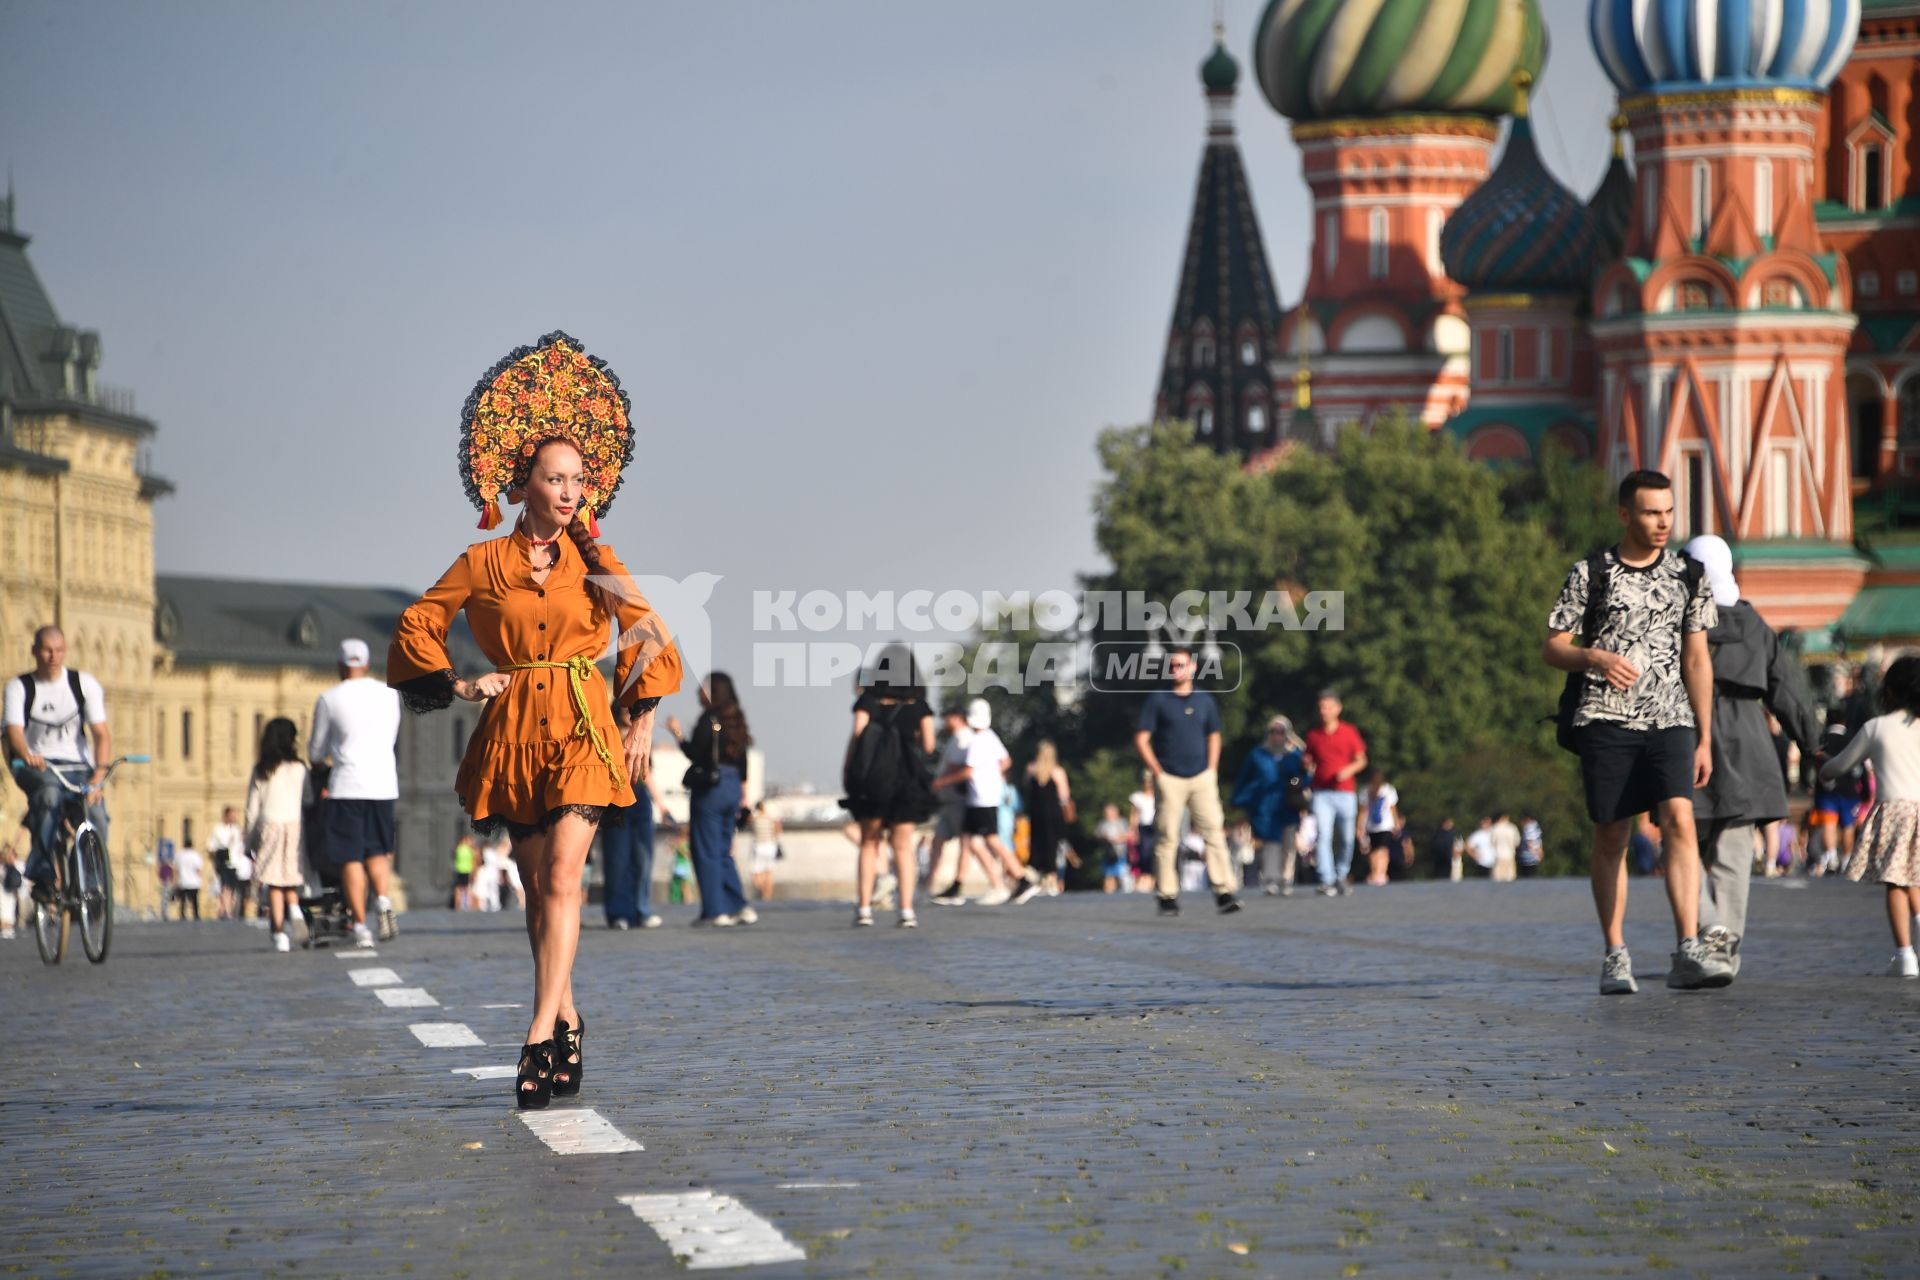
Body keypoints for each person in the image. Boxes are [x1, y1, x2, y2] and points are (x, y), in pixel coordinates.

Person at [387, 331, 684, 1110]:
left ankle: (537, 1033)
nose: (569, 491)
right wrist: (455, 682)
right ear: (521, 485)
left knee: (562, 876)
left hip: (585, 723)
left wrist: (642, 715)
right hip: (514, 727)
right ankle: (568, 1011)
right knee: (532, 884)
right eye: (555, 479)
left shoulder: (597, 560)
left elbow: (650, 631)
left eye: (579, 479)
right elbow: (418, 622)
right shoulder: (482, 563)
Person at [1544, 468, 1728, 995]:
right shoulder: (1591, 573)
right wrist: (1593, 656)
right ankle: (1615, 951)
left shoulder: (1689, 575)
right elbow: (1552, 646)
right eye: (1651, 512)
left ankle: (1688, 945)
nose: (1662, 522)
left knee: (1679, 820)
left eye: (1668, 512)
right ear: (1625, 514)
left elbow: (1697, 660)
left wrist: (1705, 735)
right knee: (1613, 834)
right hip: (1606, 719)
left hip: (1671, 719)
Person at [1682, 535, 1820, 981]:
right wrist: (1812, 743)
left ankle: (1708, 930)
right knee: (1734, 852)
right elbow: (1787, 692)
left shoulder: (1677, 619)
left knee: (1680, 845)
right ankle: (1724, 949)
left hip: (1688, 734)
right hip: (1747, 739)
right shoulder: (1755, 624)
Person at [1821, 655, 1920, 977]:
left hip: (1893, 810)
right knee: (1915, 878)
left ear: (1888, 691)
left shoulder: (1876, 727)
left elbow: (1840, 765)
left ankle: (1905, 955)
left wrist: (1823, 767)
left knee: (1895, 881)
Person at [5, 626, 111, 906]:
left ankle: (91, 880)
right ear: (35, 651)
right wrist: (27, 752)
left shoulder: (83, 684)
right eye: (47, 650)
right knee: (49, 796)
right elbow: (14, 730)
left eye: (59, 650)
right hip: (36, 765)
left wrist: (98, 775)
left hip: (78, 766)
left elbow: (101, 733)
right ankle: (42, 875)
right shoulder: (20, 687)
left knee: (96, 813)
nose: (54, 656)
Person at [311, 638, 403, 947]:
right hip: (383, 783)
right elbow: (392, 736)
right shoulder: (390, 695)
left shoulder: (329, 698)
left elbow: (316, 750)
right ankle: (385, 902)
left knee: (350, 857)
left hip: (346, 785)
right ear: (365, 663)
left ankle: (362, 926)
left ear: (340, 665)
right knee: (377, 851)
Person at [1135, 646, 1239, 916]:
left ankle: (1223, 891)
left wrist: (1213, 768)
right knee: (1167, 835)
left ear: (1192, 668)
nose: (1176, 670)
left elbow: (1214, 735)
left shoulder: (1205, 700)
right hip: (1169, 777)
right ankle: (1167, 895)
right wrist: (1156, 770)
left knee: (1213, 831)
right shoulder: (1159, 700)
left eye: (1181, 665)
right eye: (1172, 666)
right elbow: (1142, 738)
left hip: (1201, 776)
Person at [841, 649, 938, 927]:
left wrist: (849, 771)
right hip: (906, 780)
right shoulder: (918, 705)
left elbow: (857, 737)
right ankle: (906, 910)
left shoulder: (868, 701)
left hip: (873, 781)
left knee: (869, 844)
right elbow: (929, 746)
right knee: (903, 847)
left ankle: (863, 909)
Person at [931, 699, 1038, 906]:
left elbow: (968, 770)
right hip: (982, 796)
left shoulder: (978, 740)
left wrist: (942, 781)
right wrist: (992, 773)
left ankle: (1022, 878)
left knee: (991, 840)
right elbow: (1006, 760)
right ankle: (957, 885)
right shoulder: (991, 737)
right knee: (967, 839)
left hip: (981, 798)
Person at [668, 672, 753, 928]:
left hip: (712, 789)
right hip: (733, 786)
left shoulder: (710, 719)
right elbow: (744, 763)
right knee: (723, 850)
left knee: (705, 850)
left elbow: (695, 753)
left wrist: (678, 735)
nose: (698, 692)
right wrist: (744, 799)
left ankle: (715, 911)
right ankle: (738, 905)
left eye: (703, 688)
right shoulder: (736, 719)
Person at [246, 717, 311, 952]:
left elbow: (252, 809)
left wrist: (249, 842)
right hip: (294, 825)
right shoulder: (299, 768)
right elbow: (308, 799)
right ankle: (294, 909)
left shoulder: (262, 769)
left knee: (274, 882)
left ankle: (280, 933)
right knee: (290, 877)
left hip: (269, 826)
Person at [600, 710, 670, 930]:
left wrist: (661, 804)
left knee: (643, 859)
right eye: (626, 708)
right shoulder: (606, 734)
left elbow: (646, 773)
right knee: (617, 859)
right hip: (615, 797)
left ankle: (641, 910)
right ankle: (618, 913)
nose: (630, 714)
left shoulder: (641, 734)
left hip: (640, 797)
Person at [929, 708, 1002, 905]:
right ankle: (933, 885)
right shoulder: (978, 737)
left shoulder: (968, 739)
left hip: (964, 800)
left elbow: (963, 768)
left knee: (976, 843)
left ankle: (1001, 883)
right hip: (962, 800)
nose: (944, 722)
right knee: (948, 841)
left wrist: (942, 781)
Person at [1231, 715, 1308, 896]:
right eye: (1273, 732)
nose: (1276, 736)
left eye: (1281, 732)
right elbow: (1245, 778)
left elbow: (1303, 778)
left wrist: (1296, 781)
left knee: (1288, 843)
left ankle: (1286, 878)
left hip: (1287, 805)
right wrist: (1237, 800)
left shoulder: (1295, 755)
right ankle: (1271, 878)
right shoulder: (1258, 754)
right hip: (1265, 806)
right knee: (1271, 842)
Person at [1303, 690, 1367, 897]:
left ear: (1338, 708)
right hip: (1321, 793)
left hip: (1345, 793)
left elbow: (1361, 760)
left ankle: (1341, 874)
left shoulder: (1349, 732)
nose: (1324, 711)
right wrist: (1305, 764)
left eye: (1328, 707)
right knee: (1323, 836)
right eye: (1321, 707)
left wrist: (1347, 770)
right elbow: (1308, 760)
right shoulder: (1313, 735)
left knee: (1347, 838)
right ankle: (1327, 879)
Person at [1021, 740, 1075, 896]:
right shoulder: (1058, 772)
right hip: (1053, 815)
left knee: (1037, 845)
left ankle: (1038, 877)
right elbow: (1064, 797)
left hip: (1036, 814)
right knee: (1052, 846)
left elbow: (1027, 789)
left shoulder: (1030, 770)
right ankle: (1051, 879)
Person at [1363, 768, 1401, 886]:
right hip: (1385, 825)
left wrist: (1360, 826)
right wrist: (1397, 822)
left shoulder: (1366, 790)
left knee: (1374, 850)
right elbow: (1392, 808)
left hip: (1371, 825)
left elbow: (1363, 810)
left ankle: (1374, 873)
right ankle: (1381, 873)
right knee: (1383, 850)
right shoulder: (1388, 790)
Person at [210, 806, 247, 920]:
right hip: (224, 860)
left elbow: (240, 844)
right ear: (226, 816)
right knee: (225, 886)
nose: (235, 817)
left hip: (235, 862)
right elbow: (216, 845)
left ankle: (224, 910)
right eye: (232, 815)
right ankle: (228, 911)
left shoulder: (236, 829)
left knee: (232, 887)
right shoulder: (218, 829)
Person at [1128, 773, 1157, 895]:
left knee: (1156, 853)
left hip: (1156, 826)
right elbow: (1134, 814)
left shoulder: (1158, 796)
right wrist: (1133, 830)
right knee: (1144, 852)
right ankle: (1144, 876)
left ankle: (1155, 879)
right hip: (1144, 827)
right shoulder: (1138, 797)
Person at [1096, 803, 1130, 894]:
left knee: (1122, 874)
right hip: (1108, 853)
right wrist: (1106, 838)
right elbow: (1098, 835)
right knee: (1108, 874)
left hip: (1120, 852)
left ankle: (1123, 891)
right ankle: (1109, 892)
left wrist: (1118, 839)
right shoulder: (1103, 823)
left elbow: (1129, 834)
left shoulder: (1122, 822)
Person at [173, 839, 203, 920]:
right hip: (194, 882)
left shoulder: (179, 855)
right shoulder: (195, 855)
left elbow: (176, 870)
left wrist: (175, 882)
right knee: (194, 900)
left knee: (183, 900)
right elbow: (199, 870)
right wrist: (200, 878)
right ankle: (196, 914)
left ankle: (182, 914)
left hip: (183, 881)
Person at [1488, 811, 1521, 883]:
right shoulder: (1512, 828)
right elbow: (1517, 842)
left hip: (1498, 855)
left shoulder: (1495, 828)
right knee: (1510, 878)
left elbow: (1492, 842)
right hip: (1510, 855)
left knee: (1498, 878)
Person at [1429, 817, 1462, 882]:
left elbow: (1460, 845)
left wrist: (1457, 853)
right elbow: (1435, 846)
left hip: (1453, 860)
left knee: (1455, 879)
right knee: (1440, 879)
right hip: (1440, 861)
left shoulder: (1455, 833)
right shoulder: (1438, 833)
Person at [451, 834, 478, 911]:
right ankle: (464, 904)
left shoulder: (458, 849)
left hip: (460, 869)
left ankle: (459, 904)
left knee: (460, 887)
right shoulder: (469, 850)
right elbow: (474, 860)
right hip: (466, 870)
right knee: (465, 888)